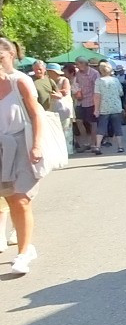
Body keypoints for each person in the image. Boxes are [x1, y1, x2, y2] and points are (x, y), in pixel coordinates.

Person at [0, 37, 43, 275]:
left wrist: (36, 145)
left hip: (21, 143)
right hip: (0, 147)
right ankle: (24, 245)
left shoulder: (21, 81)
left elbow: (37, 114)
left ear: (11, 56)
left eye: (1, 58)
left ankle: (24, 252)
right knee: (7, 199)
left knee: (20, 198)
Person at [93, 61, 125, 154]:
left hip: (104, 107)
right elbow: (121, 92)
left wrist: (96, 109)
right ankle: (120, 146)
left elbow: (97, 96)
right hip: (116, 106)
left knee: (101, 127)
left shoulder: (99, 81)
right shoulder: (115, 80)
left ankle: (98, 146)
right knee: (117, 127)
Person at [72, 57, 99, 152]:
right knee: (79, 121)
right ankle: (85, 143)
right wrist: (77, 93)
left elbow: (97, 88)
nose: (76, 66)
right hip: (80, 101)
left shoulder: (94, 74)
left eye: (78, 64)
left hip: (91, 101)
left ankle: (93, 144)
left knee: (93, 123)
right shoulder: (78, 74)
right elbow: (76, 85)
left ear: (83, 63)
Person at [46, 63, 74, 148]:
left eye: (49, 71)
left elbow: (65, 91)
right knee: (55, 130)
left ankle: (67, 150)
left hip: (65, 109)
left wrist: (53, 93)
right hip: (53, 109)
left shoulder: (64, 80)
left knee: (66, 130)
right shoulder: (48, 80)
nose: (47, 73)